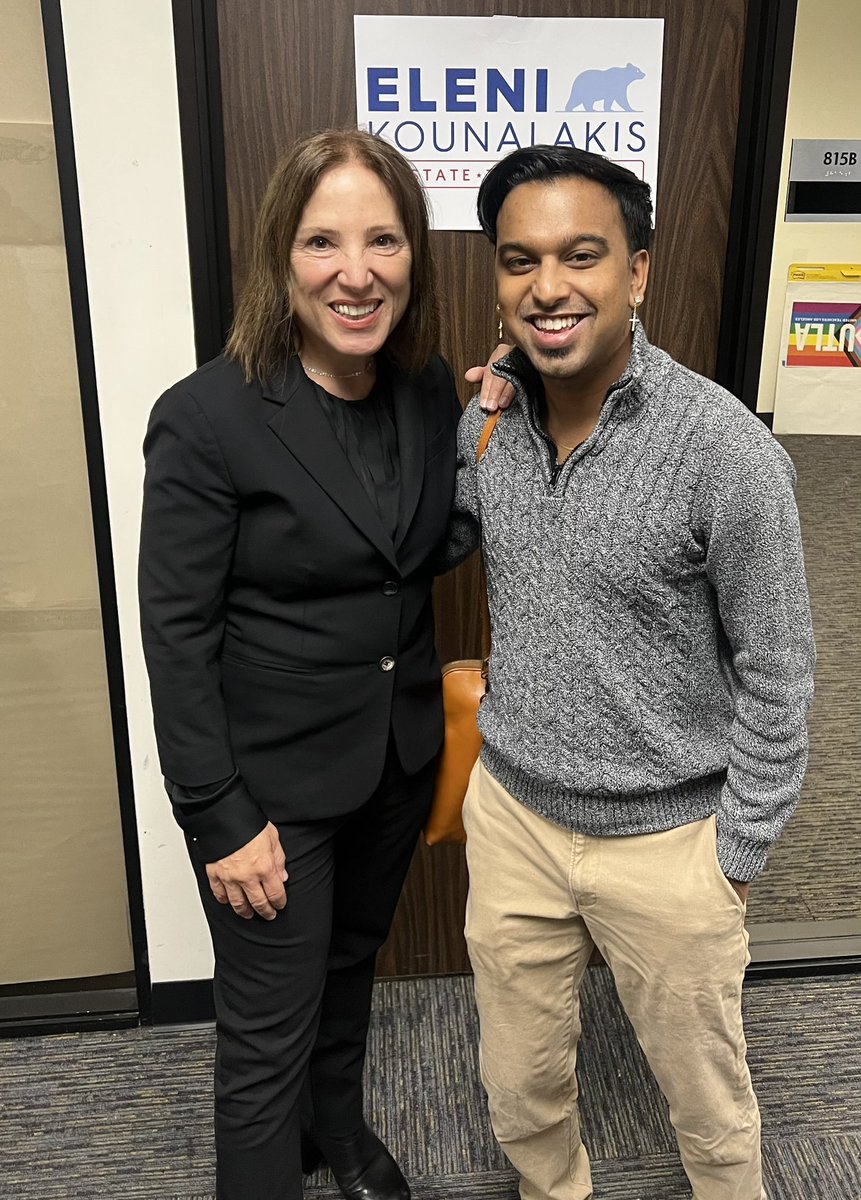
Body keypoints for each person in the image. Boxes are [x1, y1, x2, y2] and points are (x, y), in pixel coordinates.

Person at [446, 145, 816, 1200]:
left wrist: (734, 858)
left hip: (673, 843)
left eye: (582, 255)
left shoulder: (726, 454)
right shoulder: (489, 422)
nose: (548, 286)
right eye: (520, 260)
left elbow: (781, 675)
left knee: (709, 1106)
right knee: (518, 1087)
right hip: (513, 818)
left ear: (638, 272)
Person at [139, 129, 499, 1200]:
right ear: (280, 258)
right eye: (323, 241)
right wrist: (219, 817)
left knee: (350, 979)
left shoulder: (427, 388)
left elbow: (417, 549)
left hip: (391, 763)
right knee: (264, 1041)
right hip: (271, 794)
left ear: (412, 256)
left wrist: (500, 434)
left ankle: (336, 1134)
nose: (356, 271)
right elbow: (177, 635)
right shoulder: (206, 419)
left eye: (382, 238)